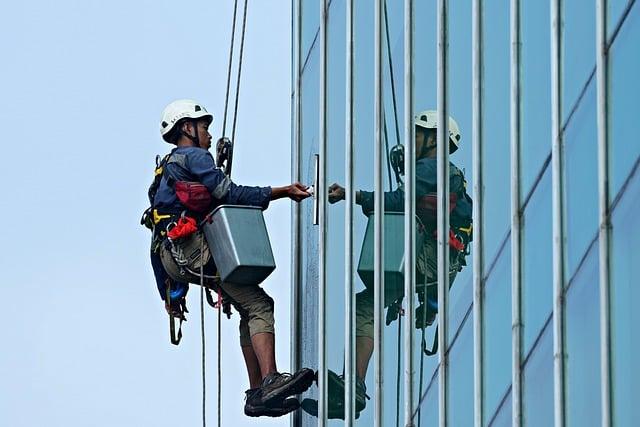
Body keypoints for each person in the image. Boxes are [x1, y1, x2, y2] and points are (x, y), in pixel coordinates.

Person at [146, 99, 315, 417]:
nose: (209, 134)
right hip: (192, 249)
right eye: (204, 127)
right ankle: (269, 381)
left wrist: (168, 292)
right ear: (187, 128)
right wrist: (282, 192)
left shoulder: (167, 168)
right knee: (260, 306)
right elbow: (230, 193)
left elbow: (156, 235)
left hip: (174, 255)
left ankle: (258, 394)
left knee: (246, 307)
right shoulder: (194, 156)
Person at [322, 110, 473, 418]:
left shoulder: (435, 167)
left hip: (428, 258)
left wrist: (352, 194)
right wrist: (429, 305)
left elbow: (398, 202)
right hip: (435, 264)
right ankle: (353, 388)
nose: (413, 139)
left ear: (435, 139)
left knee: (367, 303)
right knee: (365, 305)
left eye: (419, 133)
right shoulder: (439, 171)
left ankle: (354, 384)